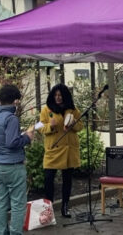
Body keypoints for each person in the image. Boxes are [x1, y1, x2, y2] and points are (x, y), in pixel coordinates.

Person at [0, 84, 33, 235]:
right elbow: (12, 143)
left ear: (0, 99)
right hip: (13, 166)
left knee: (2, 202)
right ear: (16, 101)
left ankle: (0, 232)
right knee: (18, 204)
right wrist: (27, 137)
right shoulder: (11, 118)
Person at [39, 83, 83, 218]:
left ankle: (65, 206)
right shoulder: (46, 109)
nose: (58, 98)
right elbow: (40, 127)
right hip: (53, 149)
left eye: (61, 95)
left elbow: (80, 126)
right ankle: (49, 208)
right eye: (56, 95)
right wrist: (49, 126)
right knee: (48, 179)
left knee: (67, 179)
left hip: (69, 150)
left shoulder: (73, 109)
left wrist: (74, 123)